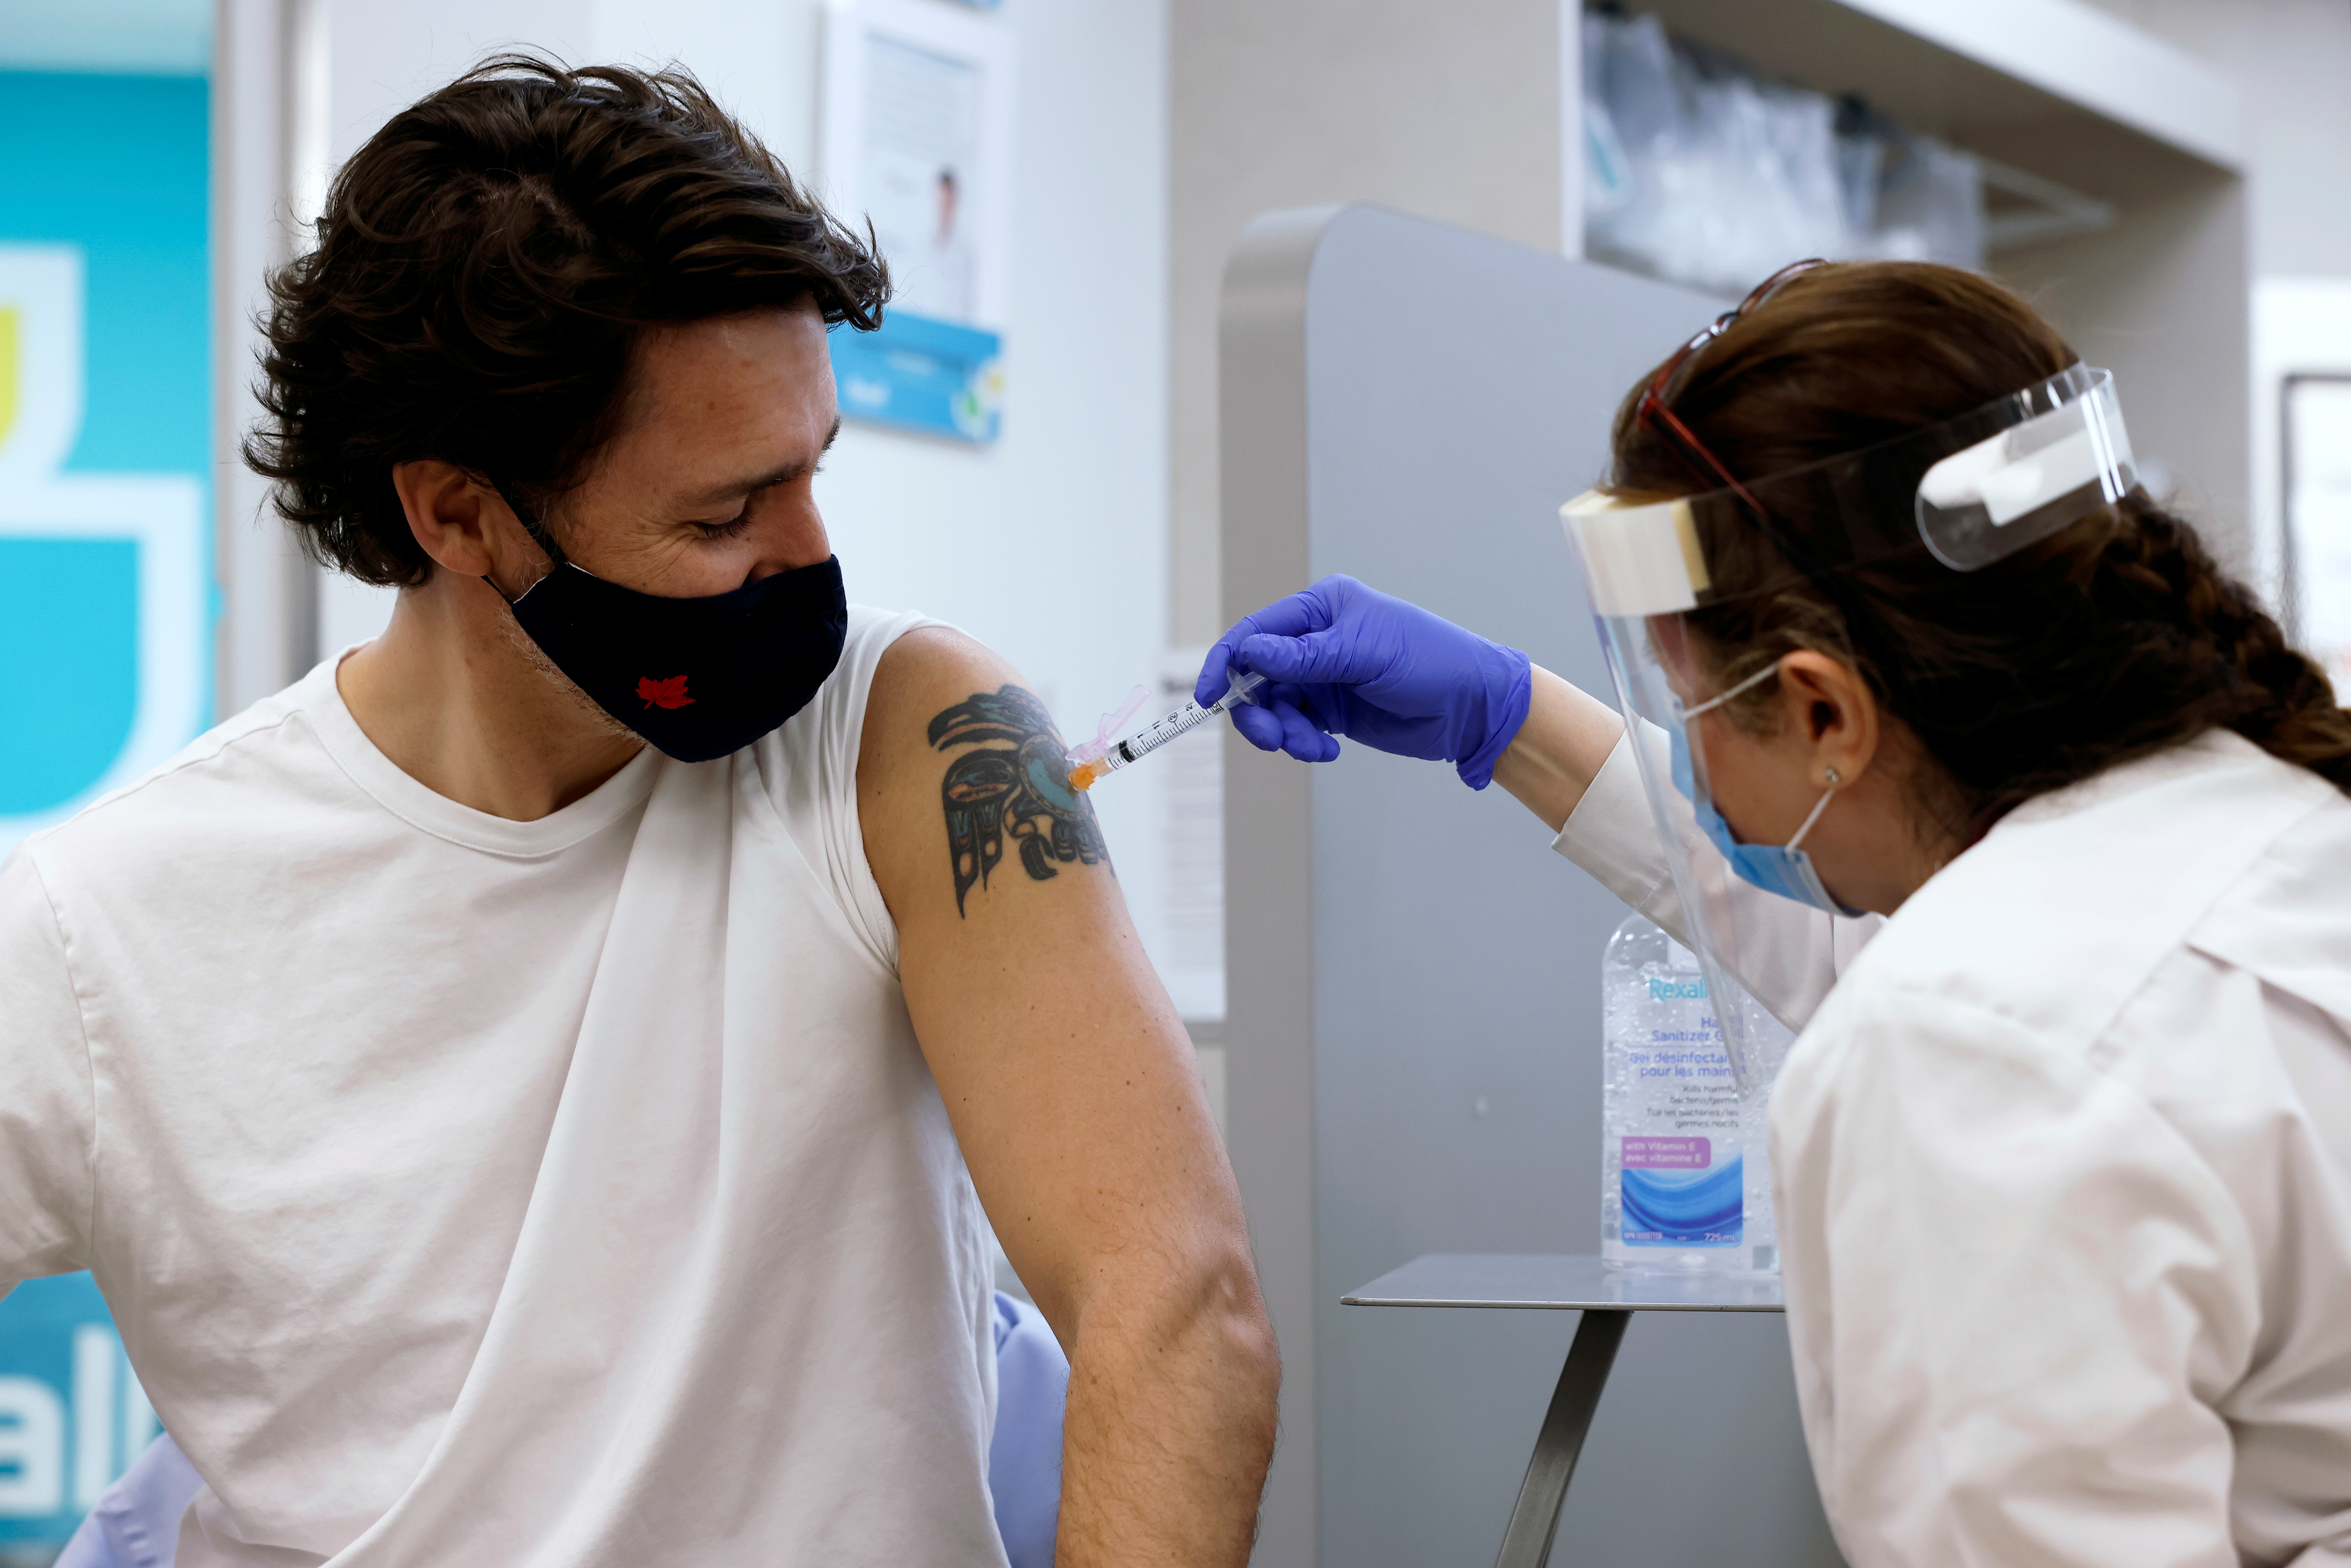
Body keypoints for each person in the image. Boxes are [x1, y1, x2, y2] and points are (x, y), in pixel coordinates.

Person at [0, 58, 1277, 1566]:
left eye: (811, 473)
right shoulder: (106, 924)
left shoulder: (905, 747)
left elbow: (1178, 1306)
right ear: (457, 512)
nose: (811, 557)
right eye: (724, 515)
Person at [1201, 260, 2351, 1566]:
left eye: (1689, 703)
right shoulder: (2275, 824)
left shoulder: (1968, 1051)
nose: (1689, 747)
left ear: (1821, 713)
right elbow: (1911, 932)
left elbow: (1963, 1006)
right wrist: (1508, 716)